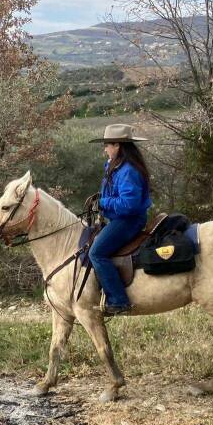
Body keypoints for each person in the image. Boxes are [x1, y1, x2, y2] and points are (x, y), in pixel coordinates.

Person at [87, 124, 153, 316]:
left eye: (108, 145)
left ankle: (118, 300)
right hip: (119, 219)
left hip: (129, 220)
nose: (105, 149)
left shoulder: (128, 170)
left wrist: (103, 202)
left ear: (119, 146)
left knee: (96, 253)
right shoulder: (113, 165)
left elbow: (129, 204)